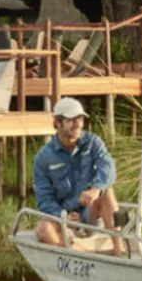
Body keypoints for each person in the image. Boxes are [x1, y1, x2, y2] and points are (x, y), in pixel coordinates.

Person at [34, 97, 119, 247]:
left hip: (90, 213)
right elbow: (44, 198)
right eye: (71, 119)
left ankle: (121, 251)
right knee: (43, 229)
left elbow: (108, 165)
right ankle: (78, 255)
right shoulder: (43, 157)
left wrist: (95, 190)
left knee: (107, 191)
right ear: (58, 122)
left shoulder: (93, 142)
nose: (78, 123)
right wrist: (63, 217)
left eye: (80, 118)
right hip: (64, 219)